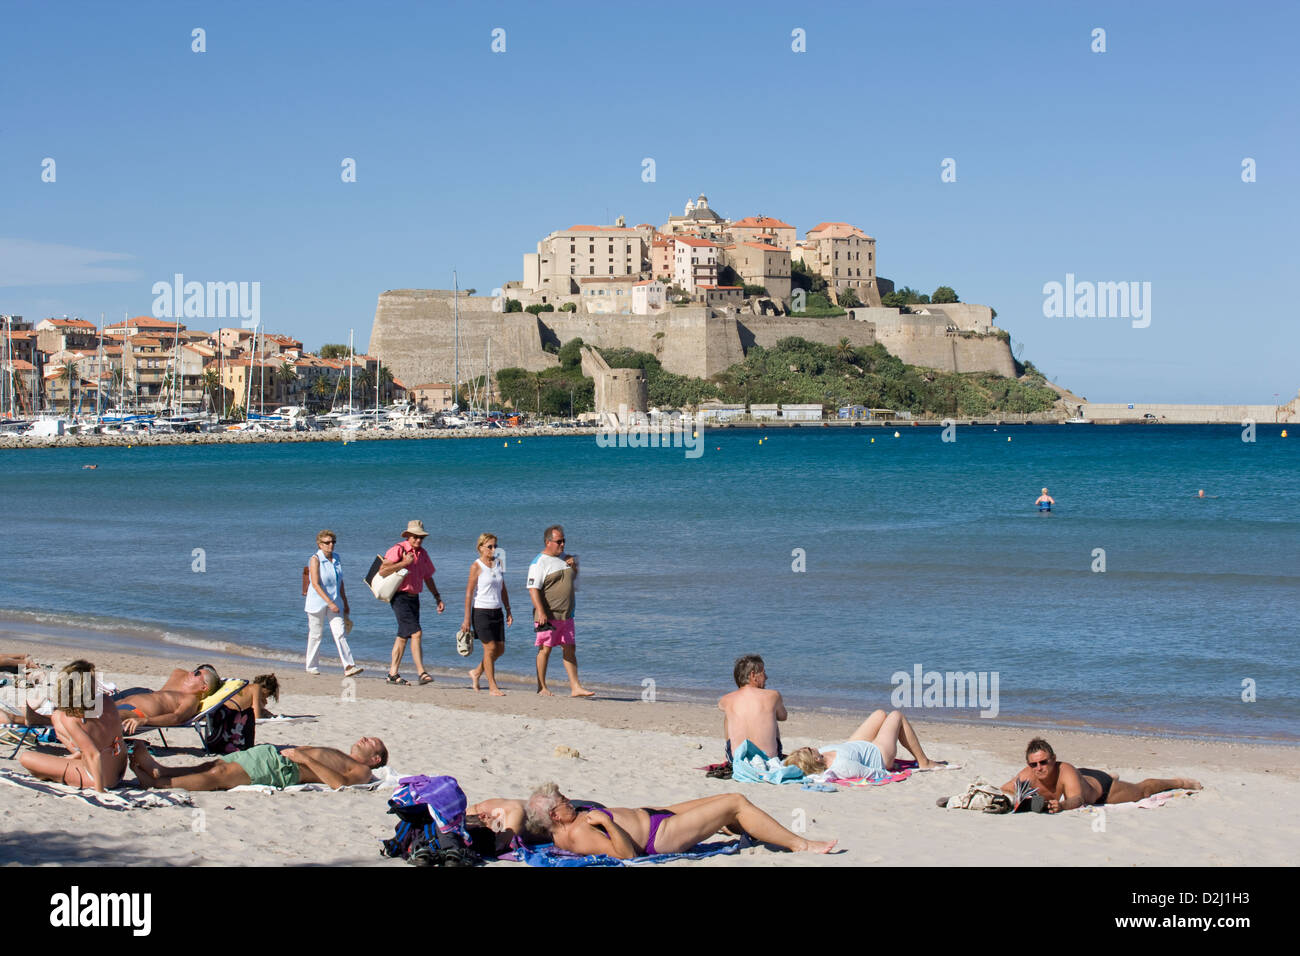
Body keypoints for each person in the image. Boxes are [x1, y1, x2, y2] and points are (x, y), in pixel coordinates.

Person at [526, 783, 836, 858]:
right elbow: (626, 855)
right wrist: (607, 824)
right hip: (659, 836)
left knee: (724, 800)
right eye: (563, 801)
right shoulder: (578, 834)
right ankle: (803, 844)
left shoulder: (572, 823)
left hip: (658, 816)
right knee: (735, 802)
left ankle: (753, 829)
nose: (569, 800)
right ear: (554, 816)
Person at [1000, 738, 1201, 812]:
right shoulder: (1028, 774)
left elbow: (1077, 799)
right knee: (1078, 783)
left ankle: (1178, 781)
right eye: (1034, 764)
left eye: (1044, 762)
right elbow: (1005, 789)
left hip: (1101, 789)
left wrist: (1061, 805)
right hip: (1081, 779)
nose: (1039, 768)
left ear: (1053, 759)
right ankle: (1112, 776)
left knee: (1143, 791)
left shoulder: (1065, 769)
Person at [19, 661, 129, 792]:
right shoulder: (107, 701)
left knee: (26, 758)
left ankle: (62, 773)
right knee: (56, 715)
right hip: (119, 770)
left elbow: (94, 755)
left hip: (99, 777)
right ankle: (74, 760)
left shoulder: (71, 719)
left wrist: (100, 791)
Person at [130, 736, 388, 791]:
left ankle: (160, 782)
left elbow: (338, 784)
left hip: (283, 768)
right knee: (211, 765)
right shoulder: (343, 755)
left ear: (375, 759)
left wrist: (303, 757)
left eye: (371, 742)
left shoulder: (363, 772)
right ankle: (161, 770)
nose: (365, 738)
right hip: (273, 756)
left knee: (220, 774)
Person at [527, 524, 592, 697]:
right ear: (548, 542)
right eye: (559, 541)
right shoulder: (538, 562)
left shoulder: (566, 558)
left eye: (564, 541)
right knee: (545, 649)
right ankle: (541, 687)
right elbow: (533, 589)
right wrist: (540, 611)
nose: (563, 544)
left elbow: (574, 580)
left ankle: (575, 687)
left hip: (567, 614)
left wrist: (574, 566)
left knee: (570, 648)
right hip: (548, 615)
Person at [783, 709, 941, 779]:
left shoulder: (822, 753)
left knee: (879, 714)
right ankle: (924, 762)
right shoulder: (843, 766)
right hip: (878, 754)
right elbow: (873, 773)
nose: (811, 747)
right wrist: (893, 769)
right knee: (896, 715)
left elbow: (788, 764)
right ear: (816, 759)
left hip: (853, 747)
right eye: (810, 750)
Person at [379, 520, 444, 685]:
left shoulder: (423, 553)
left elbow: (428, 577)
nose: (418, 540)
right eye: (415, 537)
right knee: (416, 633)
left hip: (414, 598)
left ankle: (392, 674)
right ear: (408, 536)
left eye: (421, 537)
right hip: (399, 597)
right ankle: (421, 672)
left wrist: (437, 597)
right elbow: (383, 570)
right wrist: (404, 563)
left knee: (403, 636)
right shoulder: (398, 549)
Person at [304, 529, 363, 678]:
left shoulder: (337, 558)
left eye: (333, 542)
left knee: (340, 632)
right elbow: (316, 584)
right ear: (320, 544)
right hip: (317, 602)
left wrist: (345, 601)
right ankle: (311, 666)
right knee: (316, 635)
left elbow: (340, 582)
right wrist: (329, 602)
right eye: (327, 542)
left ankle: (349, 666)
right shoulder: (315, 559)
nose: (331, 545)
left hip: (336, 601)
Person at [463, 533, 513, 696]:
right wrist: (466, 620)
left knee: (500, 649)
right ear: (481, 548)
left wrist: (508, 609)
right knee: (490, 648)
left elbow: (502, 588)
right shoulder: (476, 566)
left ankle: (477, 672)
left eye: (495, 546)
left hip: (497, 610)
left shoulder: (499, 562)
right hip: (481, 612)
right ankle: (492, 686)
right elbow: (469, 593)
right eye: (490, 546)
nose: (493, 549)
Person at [115, 664, 221, 735]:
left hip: (135, 712)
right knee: (99, 710)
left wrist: (145, 721)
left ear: (204, 687)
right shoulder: (177, 693)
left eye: (197, 673)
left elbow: (177, 718)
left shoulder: (191, 700)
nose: (190, 673)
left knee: (104, 717)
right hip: (118, 704)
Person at [718, 653, 786, 760]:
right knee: (771, 713)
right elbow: (783, 716)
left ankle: (731, 753)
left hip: (738, 759)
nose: (766, 677)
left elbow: (721, 706)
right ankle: (771, 750)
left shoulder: (726, 699)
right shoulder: (773, 695)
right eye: (764, 673)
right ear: (753, 675)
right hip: (769, 759)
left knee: (730, 713)